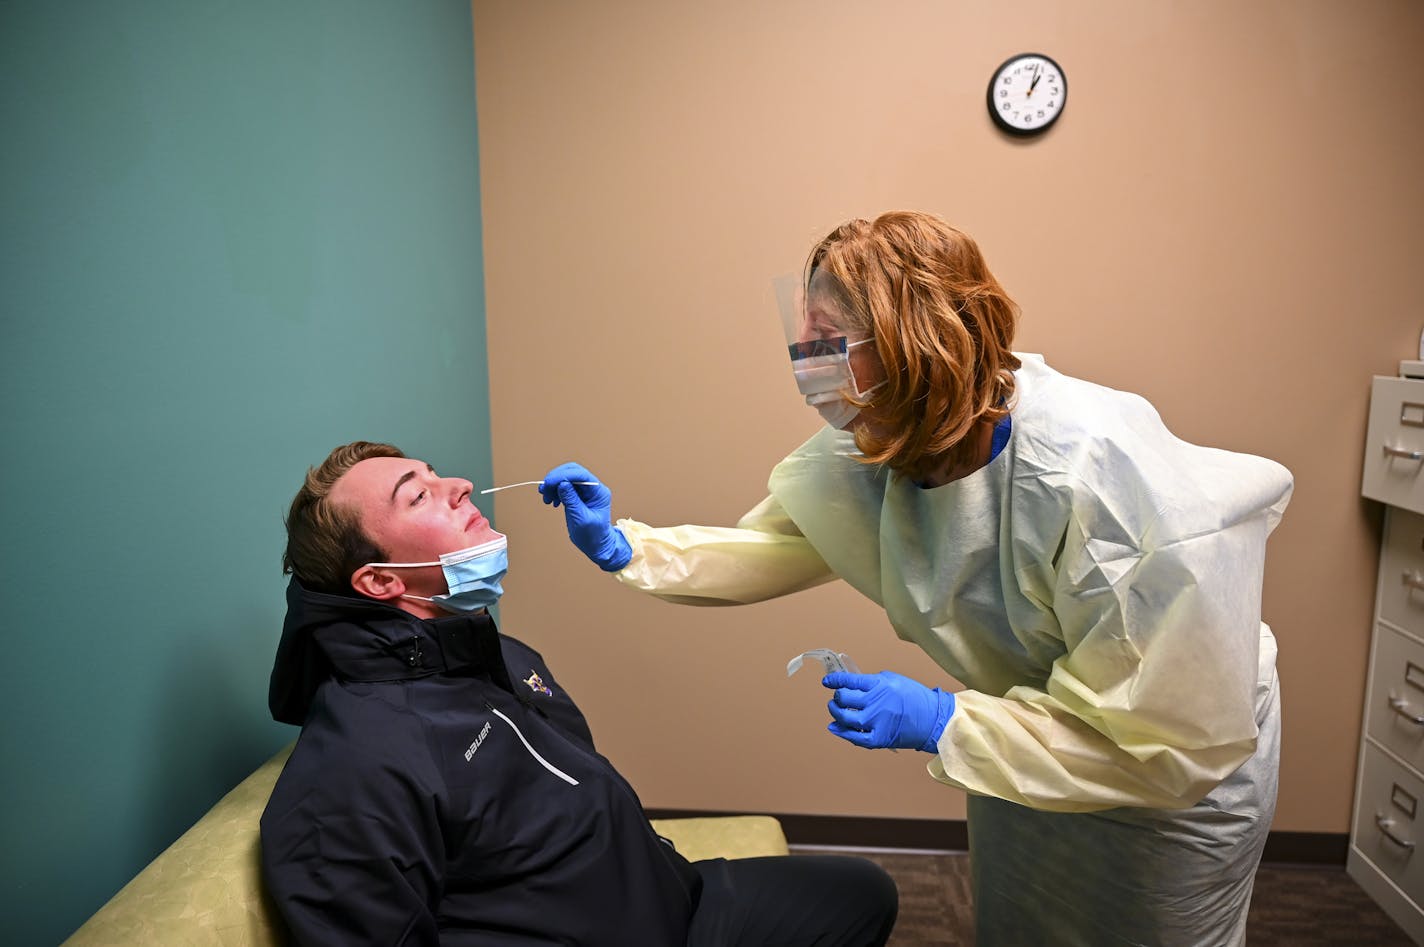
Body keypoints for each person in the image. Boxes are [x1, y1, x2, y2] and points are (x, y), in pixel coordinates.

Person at [540, 211, 1292, 947]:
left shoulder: (1104, 484)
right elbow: (773, 542)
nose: (806, 362)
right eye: (803, 338)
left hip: (1169, 766)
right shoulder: (884, 444)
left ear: (915, 341)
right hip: (1020, 734)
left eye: (830, 341)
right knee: (1024, 921)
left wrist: (944, 720)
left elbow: (1162, 745)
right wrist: (624, 545)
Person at [260, 441, 898, 947]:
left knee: (861, 893)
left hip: (665, 901)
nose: (457, 486)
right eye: (418, 495)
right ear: (377, 582)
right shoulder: (357, 769)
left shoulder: (499, 656)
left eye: (436, 473)